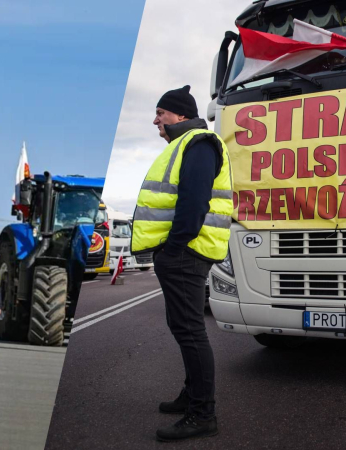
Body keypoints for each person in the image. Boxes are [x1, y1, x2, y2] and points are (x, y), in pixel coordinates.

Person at [130, 86, 233, 442]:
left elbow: (193, 203)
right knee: (182, 326)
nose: (155, 119)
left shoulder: (199, 143)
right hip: (184, 253)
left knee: (190, 331)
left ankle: (203, 414)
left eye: (161, 112)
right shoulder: (187, 144)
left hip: (187, 254)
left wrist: (172, 250)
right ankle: (192, 394)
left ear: (181, 115)